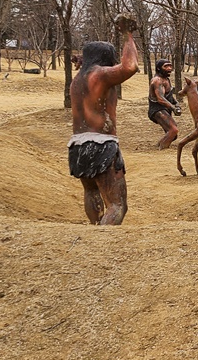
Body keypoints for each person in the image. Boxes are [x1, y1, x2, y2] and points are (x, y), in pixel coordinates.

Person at [68, 16, 139, 225]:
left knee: (91, 191)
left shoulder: (77, 80)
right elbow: (130, 67)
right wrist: (128, 36)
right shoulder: (99, 75)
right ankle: (103, 241)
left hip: (77, 145)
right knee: (117, 205)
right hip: (101, 145)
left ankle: (94, 230)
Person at [149, 58, 181, 149]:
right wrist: (173, 108)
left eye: (170, 66)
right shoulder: (157, 80)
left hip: (164, 109)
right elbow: (160, 99)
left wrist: (176, 103)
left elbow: (168, 96)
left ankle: (159, 145)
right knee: (173, 130)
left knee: (173, 135)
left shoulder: (166, 79)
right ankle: (162, 150)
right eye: (166, 66)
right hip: (157, 110)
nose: (169, 68)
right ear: (158, 68)